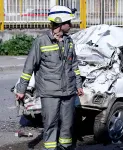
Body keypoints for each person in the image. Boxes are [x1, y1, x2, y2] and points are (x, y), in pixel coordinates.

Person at [15, 5, 83, 150]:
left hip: (68, 92)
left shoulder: (69, 41)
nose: (71, 25)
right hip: (50, 93)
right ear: (59, 23)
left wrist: (79, 85)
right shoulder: (41, 42)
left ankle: (65, 147)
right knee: (51, 123)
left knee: (67, 124)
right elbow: (28, 67)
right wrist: (21, 89)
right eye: (68, 22)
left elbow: (74, 65)